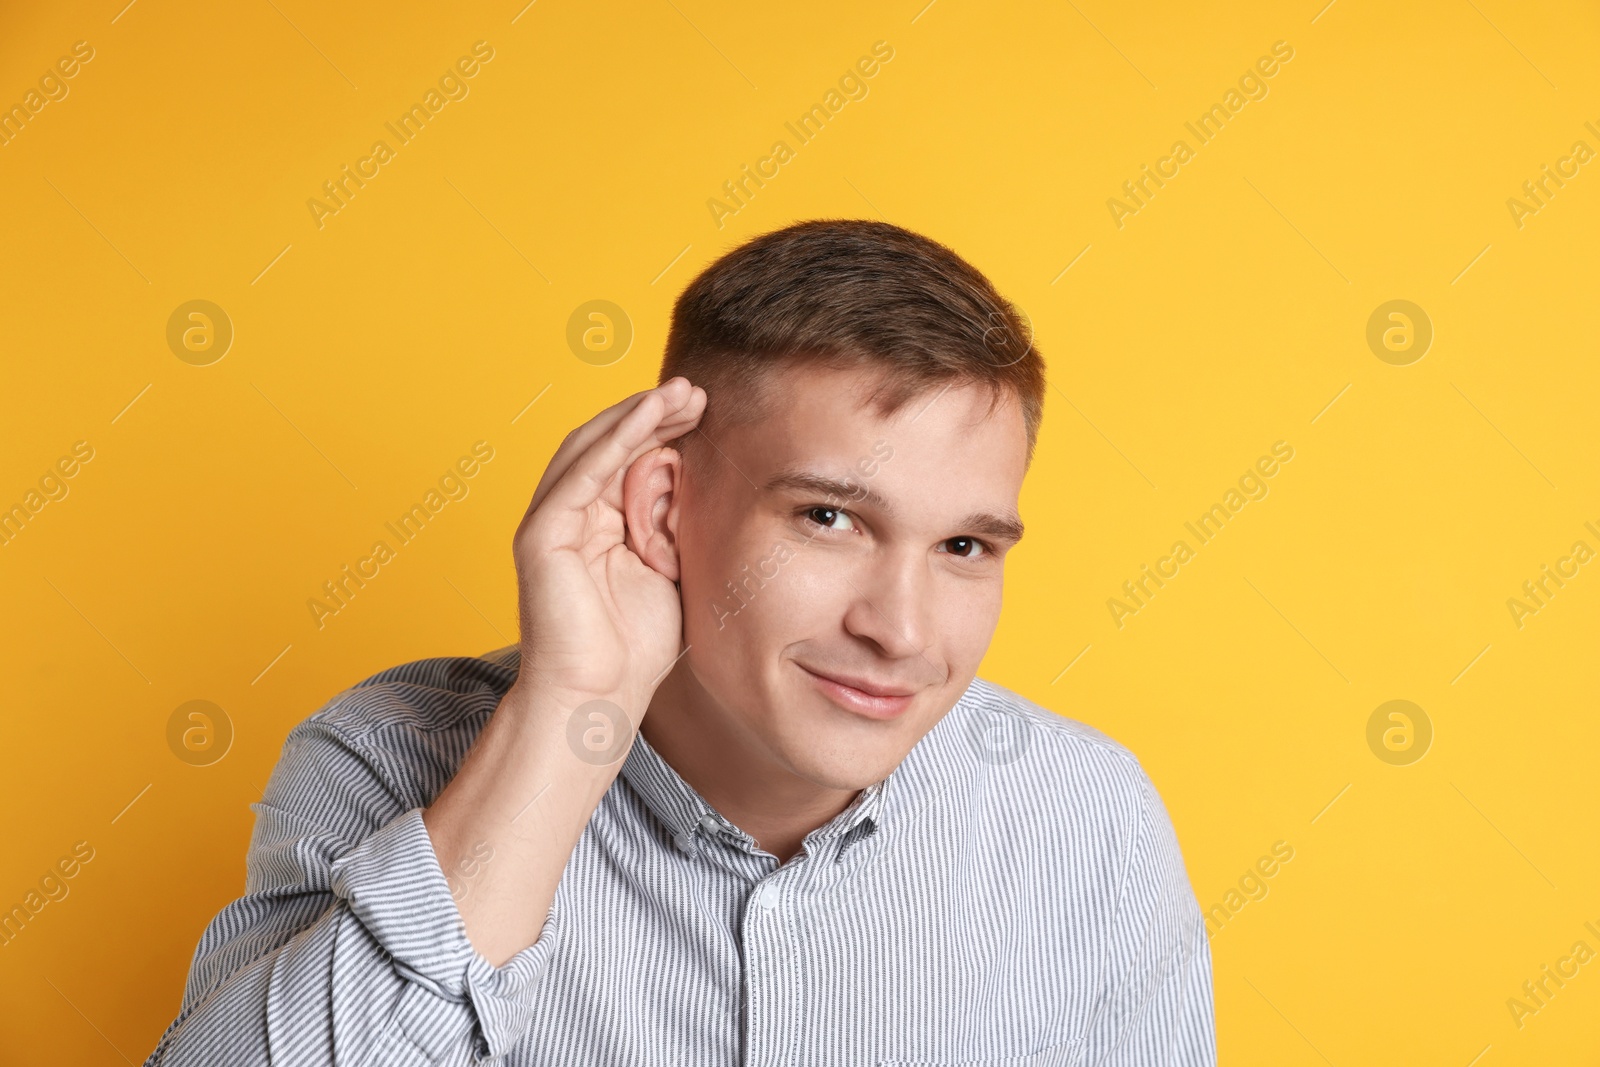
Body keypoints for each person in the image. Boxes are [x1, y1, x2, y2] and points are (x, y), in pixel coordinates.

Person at [142, 219, 1216, 1066]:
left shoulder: (1085, 818)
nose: (900, 629)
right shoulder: (387, 755)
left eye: (965, 544)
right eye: (829, 518)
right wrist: (569, 712)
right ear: (662, 505)